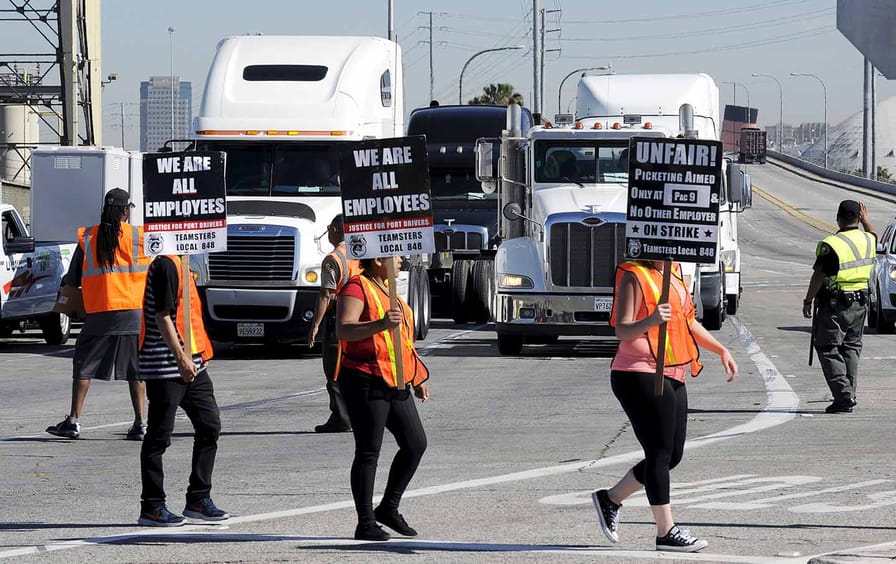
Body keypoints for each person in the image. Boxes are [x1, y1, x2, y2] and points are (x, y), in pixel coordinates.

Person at [592, 260, 737, 553]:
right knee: (658, 452)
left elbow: (688, 321)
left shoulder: (674, 272)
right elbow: (622, 330)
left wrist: (720, 349)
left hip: (673, 371)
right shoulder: (635, 274)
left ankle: (611, 498)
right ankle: (665, 531)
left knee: (672, 455)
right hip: (638, 372)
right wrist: (651, 320)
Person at [335, 255, 430, 541]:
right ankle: (365, 522)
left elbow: (401, 340)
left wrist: (417, 375)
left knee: (415, 443)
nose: (401, 260)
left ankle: (388, 507)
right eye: (397, 256)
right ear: (379, 259)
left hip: (396, 379)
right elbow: (343, 329)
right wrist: (378, 324)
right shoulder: (357, 286)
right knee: (368, 451)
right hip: (364, 378)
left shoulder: (390, 291)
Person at [46, 188, 151, 440]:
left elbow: (72, 278)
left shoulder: (89, 238)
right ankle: (141, 424)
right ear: (126, 211)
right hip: (134, 312)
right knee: (136, 370)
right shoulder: (139, 236)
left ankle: (73, 421)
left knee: (83, 365)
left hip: (100, 312)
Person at [137, 254, 228, 527]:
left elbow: (187, 315)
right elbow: (162, 315)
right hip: (167, 364)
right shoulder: (166, 263)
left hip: (194, 361)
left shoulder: (183, 260)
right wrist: (181, 359)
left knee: (210, 425)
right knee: (159, 435)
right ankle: (152, 506)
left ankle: (198, 498)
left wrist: (196, 358)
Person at [802, 200, 876, 414]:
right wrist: (867, 221)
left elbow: (819, 275)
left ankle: (843, 396)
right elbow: (873, 234)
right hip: (860, 304)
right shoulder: (868, 239)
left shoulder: (832, 244)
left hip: (836, 304)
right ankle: (849, 393)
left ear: (838, 217)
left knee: (827, 347)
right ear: (858, 218)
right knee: (851, 348)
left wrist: (808, 300)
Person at [308, 215, 360, 433]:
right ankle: (358, 413)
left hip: (337, 318)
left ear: (337, 230)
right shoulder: (360, 254)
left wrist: (315, 325)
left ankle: (341, 416)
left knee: (334, 369)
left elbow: (326, 295)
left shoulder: (333, 259)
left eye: (329, 229)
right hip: (360, 316)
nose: (327, 233)